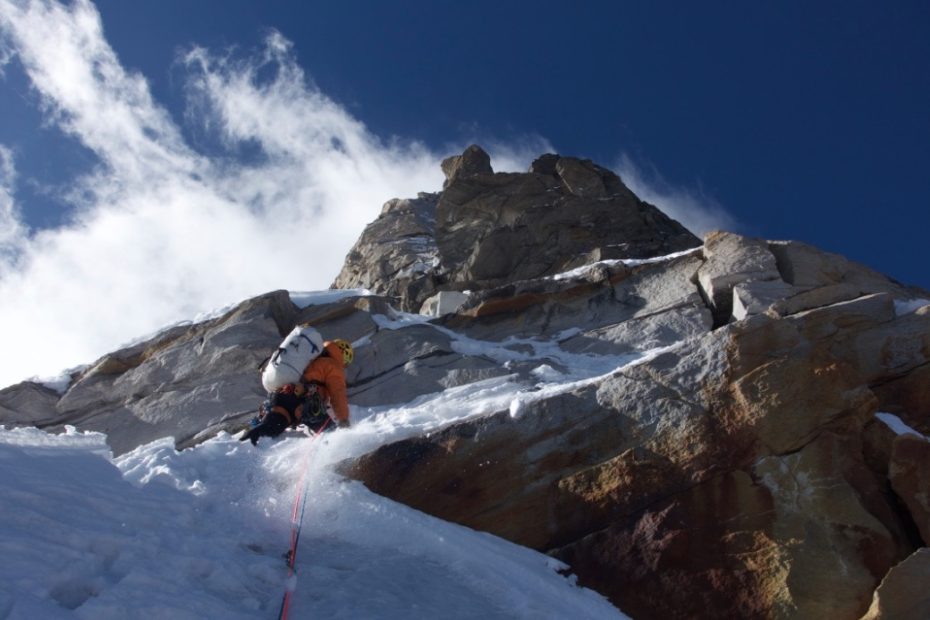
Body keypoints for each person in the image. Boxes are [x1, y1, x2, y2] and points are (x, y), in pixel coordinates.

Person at [241, 339, 354, 445]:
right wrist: (343, 419)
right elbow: (338, 394)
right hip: (304, 401)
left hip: (282, 393)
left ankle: (250, 436)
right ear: (344, 358)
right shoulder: (332, 365)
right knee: (333, 436)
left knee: (274, 424)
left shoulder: (311, 357)